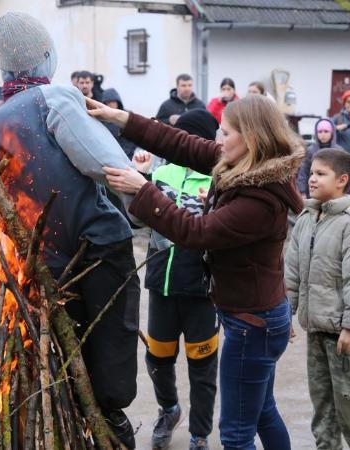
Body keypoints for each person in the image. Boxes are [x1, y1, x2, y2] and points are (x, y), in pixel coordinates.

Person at [0, 12, 142, 447]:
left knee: (66, 360)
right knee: (111, 359)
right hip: (99, 250)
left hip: (46, 265)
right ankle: (111, 423)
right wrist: (144, 204)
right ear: (46, 58)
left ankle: (82, 419)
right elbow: (103, 161)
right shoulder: (54, 98)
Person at [95, 94, 303, 450]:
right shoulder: (247, 165)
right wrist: (121, 118)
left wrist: (143, 189)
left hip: (252, 326)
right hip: (260, 317)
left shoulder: (259, 199)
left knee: (237, 434)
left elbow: (196, 232)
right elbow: (181, 144)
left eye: (225, 133)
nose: (218, 141)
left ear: (250, 137)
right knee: (264, 410)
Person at [133, 109, 220, 450]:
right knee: (157, 359)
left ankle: (199, 435)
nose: (178, 145)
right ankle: (169, 410)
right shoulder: (160, 173)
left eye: (186, 139)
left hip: (202, 291)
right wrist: (137, 179)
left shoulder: (218, 180)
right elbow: (137, 223)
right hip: (161, 286)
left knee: (202, 367)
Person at [285, 148, 350, 450]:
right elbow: (292, 270)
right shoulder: (307, 216)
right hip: (316, 327)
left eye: (321, 174)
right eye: (311, 172)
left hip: (344, 333)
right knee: (322, 402)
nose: (312, 179)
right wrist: (285, 314)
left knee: (348, 401)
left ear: (342, 180)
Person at [297, 118, 338, 197]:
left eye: (326, 131)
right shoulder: (310, 150)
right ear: (316, 133)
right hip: (312, 193)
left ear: (332, 133)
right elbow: (303, 171)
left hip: (331, 194)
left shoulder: (338, 151)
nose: (323, 134)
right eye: (320, 131)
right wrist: (302, 192)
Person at [101, 88, 137, 159]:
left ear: (118, 102)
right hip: (108, 155)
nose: (110, 105)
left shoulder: (126, 116)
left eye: (113, 101)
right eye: (107, 102)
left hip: (126, 156)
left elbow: (132, 138)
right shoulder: (102, 119)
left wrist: (124, 155)